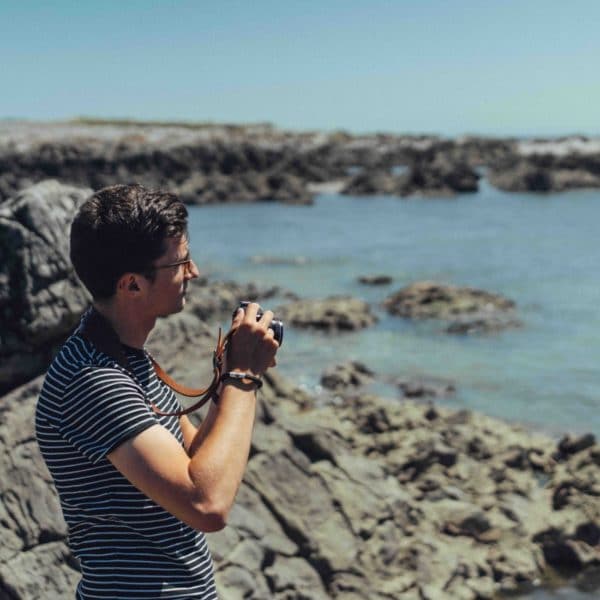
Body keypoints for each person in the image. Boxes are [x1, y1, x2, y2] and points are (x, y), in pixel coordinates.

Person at [35, 183, 279, 599]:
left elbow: (196, 463)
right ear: (132, 285)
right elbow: (207, 504)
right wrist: (242, 376)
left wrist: (229, 375)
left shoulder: (126, 358)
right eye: (180, 261)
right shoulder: (93, 380)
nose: (194, 271)